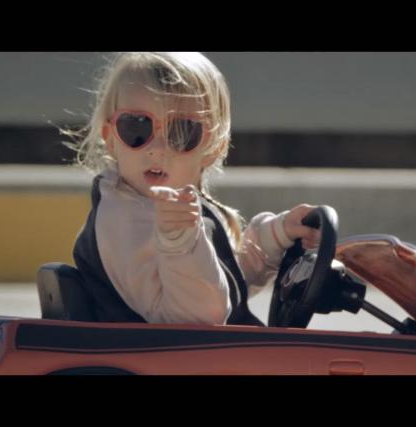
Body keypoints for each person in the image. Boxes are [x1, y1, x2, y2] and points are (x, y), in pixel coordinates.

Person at [66, 52, 320, 326]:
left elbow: (226, 282)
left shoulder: (172, 210)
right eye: (136, 127)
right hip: (166, 350)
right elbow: (199, 317)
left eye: (181, 132)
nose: (157, 149)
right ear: (111, 139)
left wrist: (275, 236)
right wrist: (178, 243)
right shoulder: (121, 220)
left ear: (213, 148)